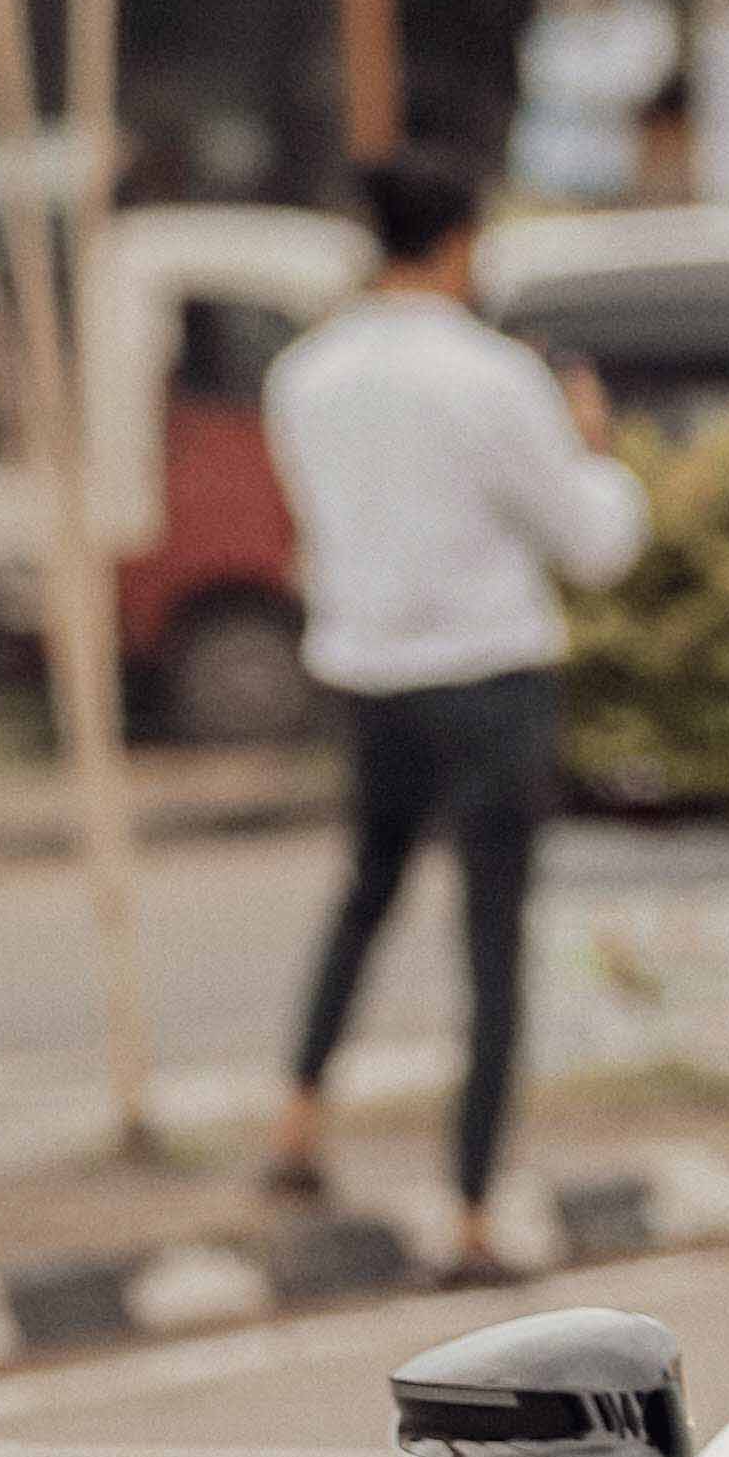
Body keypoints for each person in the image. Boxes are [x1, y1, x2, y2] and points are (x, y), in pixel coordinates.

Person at [261, 147, 650, 1279]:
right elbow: (594, 543)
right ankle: (471, 1212)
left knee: (364, 893)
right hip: (488, 674)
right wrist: (593, 447)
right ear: (461, 245)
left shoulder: (305, 375)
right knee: (491, 942)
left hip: (364, 672)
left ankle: (297, 1113)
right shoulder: (493, 379)